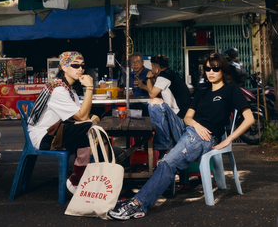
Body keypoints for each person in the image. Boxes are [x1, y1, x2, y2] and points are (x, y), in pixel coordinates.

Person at [108, 53, 255, 220]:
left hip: (205, 137)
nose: (211, 72)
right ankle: (164, 147)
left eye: (215, 68)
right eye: (207, 68)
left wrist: (228, 140)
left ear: (223, 70)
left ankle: (138, 204)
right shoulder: (202, 91)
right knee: (155, 103)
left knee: (167, 163)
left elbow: (249, 118)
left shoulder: (231, 89)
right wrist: (196, 125)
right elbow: (187, 118)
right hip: (188, 129)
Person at [27, 51, 95, 194]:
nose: (80, 69)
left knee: (90, 128)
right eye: (75, 66)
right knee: (89, 128)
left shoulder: (71, 91)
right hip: (44, 137)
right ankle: (77, 180)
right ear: (64, 67)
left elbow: (80, 117)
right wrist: (89, 87)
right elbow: (83, 117)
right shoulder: (58, 89)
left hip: (57, 131)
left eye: (82, 66)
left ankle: (82, 177)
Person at [145, 55, 191, 158]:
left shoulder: (163, 76)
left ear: (157, 69)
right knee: (158, 104)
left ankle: (165, 147)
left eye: (152, 67)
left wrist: (148, 77)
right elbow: (154, 90)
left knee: (155, 103)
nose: (152, 70)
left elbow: (152, 94)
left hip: (180, 121)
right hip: (184, 118)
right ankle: (164, 147)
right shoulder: (172, 73)